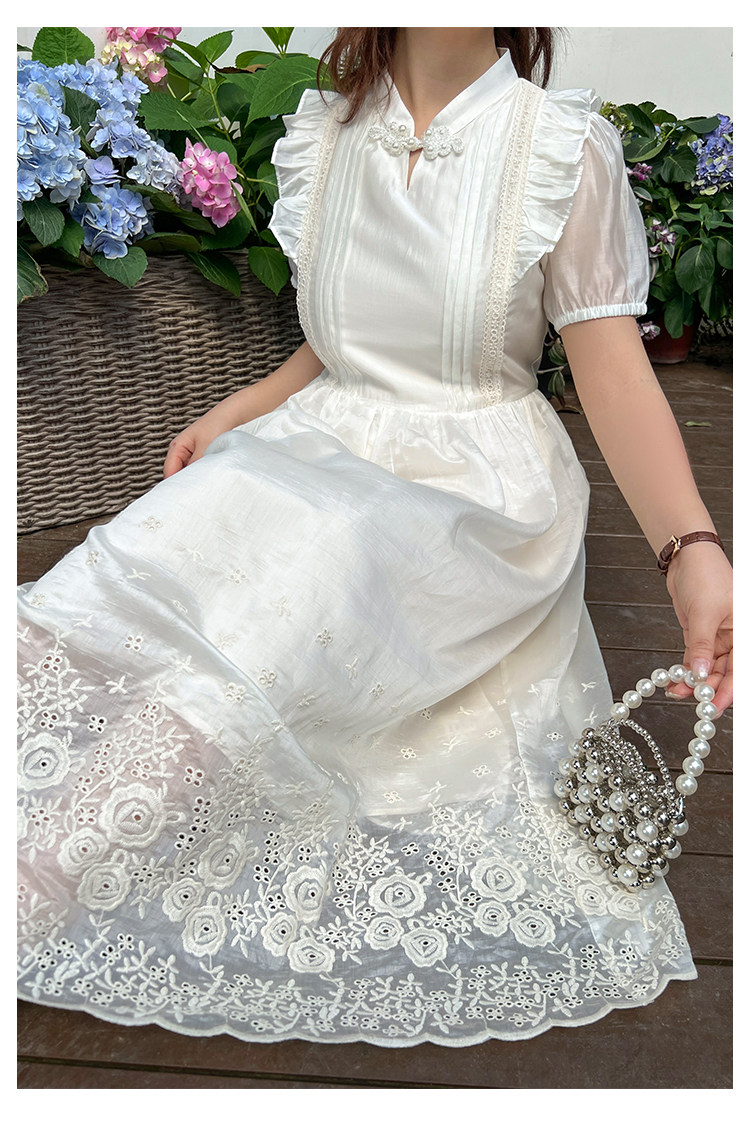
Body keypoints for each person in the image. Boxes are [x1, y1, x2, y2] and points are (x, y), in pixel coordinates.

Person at [18, 27, 732, 1048]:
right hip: (323, 435)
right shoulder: (329, 129)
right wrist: (249, 405)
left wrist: (691, 551)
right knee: (161, 536)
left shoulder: (558, 146)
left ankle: (41, 876)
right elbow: (342, 339)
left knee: (317, 558)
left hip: (473, 486)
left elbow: (612, 371)